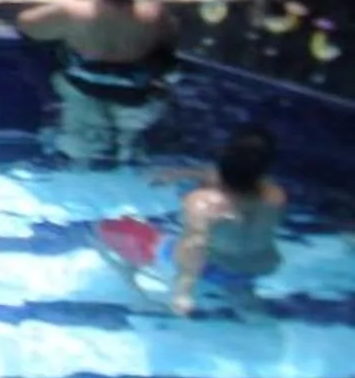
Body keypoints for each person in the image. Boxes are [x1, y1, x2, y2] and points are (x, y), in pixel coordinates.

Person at [98, 124, 287, 315]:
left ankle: (133, 279)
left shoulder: (202, 203)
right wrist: (180, 173)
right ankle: (241, 295)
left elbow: (194, 245)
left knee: (105, 229)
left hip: (212, 269)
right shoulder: (275, 194)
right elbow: (238, 177)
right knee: (232, 256)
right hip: (259, 266)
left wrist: (183, 292)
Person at [20, 0, 179, 163]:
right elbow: (170, 44)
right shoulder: (154, 14)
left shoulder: (74, 12)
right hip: (135, 99)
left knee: (81, 157)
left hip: (84, 94)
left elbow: (27, 25)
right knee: (129, 156)